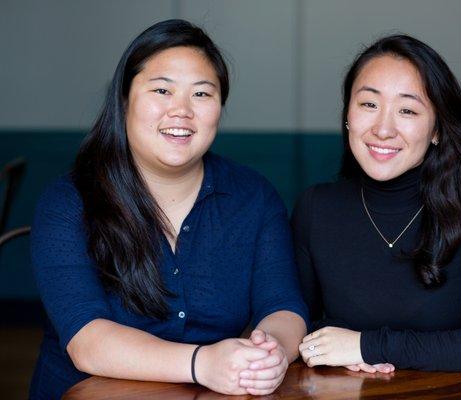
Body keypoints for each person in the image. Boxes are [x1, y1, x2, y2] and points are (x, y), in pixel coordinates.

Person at [30, 19, 308, 399]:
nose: (181, 111)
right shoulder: (70, 201)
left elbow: (283, 305)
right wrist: (202, 364)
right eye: (162, 90)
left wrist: (271, 352)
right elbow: (87, 341)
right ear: (125, 99)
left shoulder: (253, 198)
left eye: (202, 94)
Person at [293, 34, 461, 373]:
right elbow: (292, 325)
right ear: (348, 114)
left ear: (436, 129)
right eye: (368, 104)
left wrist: (367, 347)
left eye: (407, 110)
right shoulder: (315, 209)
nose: (383, 129)